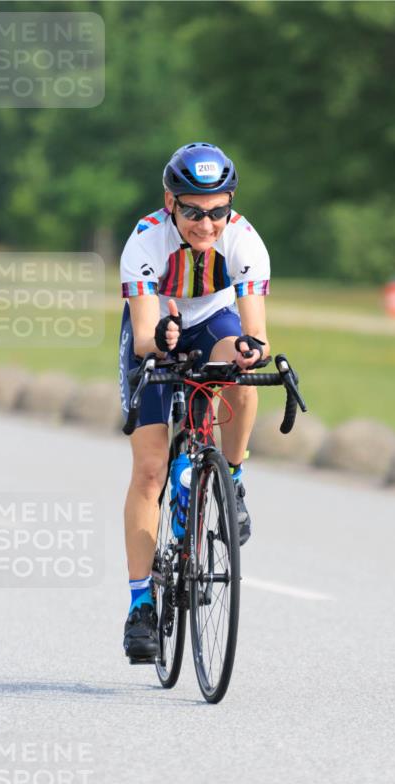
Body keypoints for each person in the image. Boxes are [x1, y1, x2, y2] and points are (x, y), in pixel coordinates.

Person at [118, 142, 271, 661]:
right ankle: (141, 605)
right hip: (156, 327)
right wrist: (161, 335)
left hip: (212, 320)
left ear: (231, 204)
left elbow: (253, 331)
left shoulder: (245, 241)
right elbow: (143, 334)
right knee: (151, 470)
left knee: (243, 370)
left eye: (218, 211)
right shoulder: (145, 241)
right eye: (192, 211)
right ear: (170, 202)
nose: (207, 224)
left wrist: (252, 350)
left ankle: (231, 476)